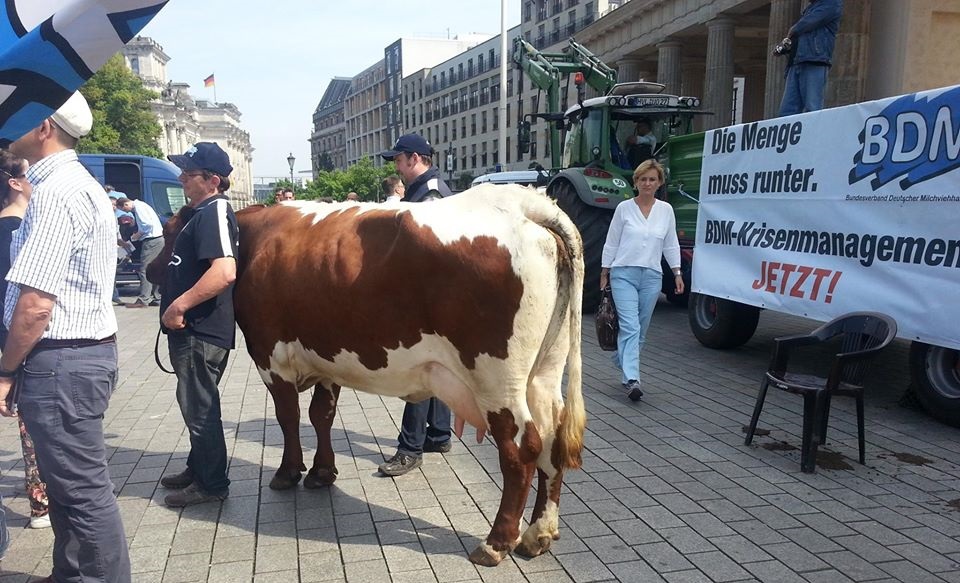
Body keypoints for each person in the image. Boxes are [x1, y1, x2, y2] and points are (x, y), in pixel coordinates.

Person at [0, 91, 131, 582]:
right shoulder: (74, 185)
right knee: (69, 488)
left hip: (61, 360)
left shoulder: (55, 193)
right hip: (75, 357)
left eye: (20, 114)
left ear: (45, 127)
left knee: (80, 492)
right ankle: (73, 574)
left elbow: (36, 304)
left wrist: (7, 369)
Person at [158, 142, 238, 508]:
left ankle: (211, 483)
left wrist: (179, 305)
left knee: (201, 407)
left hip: (200, 330)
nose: (182, 180)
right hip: (194, 330)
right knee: (194, 402)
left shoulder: (214, 212)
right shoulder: (201, 212)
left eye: (189, 175)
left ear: (212, 180)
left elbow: (224, 271)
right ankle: (198, 466)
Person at [377, 134, 453, 476]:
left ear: (415, 158)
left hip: (429, 294)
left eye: (398, 159)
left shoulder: (432, 191)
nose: (396, 165)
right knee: (437, 365)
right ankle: (437, 434)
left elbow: (429, 249)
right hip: (434, 292)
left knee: (421, 371)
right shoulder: (425, 187)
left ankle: (409, 448)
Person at [600, 159, 683, 402]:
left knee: (641, 330)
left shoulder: (666, 211)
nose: (647, 183)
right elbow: (612, 241)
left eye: (652, 179)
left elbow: (670, 244)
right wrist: (605, 271)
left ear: (659, 183)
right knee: (631, 326)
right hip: (623, 273)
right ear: (635, 182)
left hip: (652, 276)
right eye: (643, 179)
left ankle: (620, 360)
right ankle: (632, 380)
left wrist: (677, 273)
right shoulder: (624, 208)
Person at [0, 151, 51, 531]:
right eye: (30, 173)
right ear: (14, 183)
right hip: (24, 340)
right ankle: (44, 502)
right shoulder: (19, 230)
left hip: (12, 337)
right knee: (37, 425)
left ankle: (41, 501)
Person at [777, 0, 843, 116]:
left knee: (812, 108)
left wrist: (792, 31)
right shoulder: (810, 8)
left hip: (815, 61)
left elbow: (808, 23)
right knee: (786, 112)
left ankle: (813, 134)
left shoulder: (832, 3)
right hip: (797, 61)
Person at [116, 197, 163, 307]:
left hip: (152, 240)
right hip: (158, 239)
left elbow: (147, 225)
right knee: (155, 268)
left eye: (124, 209)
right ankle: (157, 297)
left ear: (126, 204)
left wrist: (136, 236)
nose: (126, 212)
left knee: (145, 269)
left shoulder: (139, 208)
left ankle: (144, 299)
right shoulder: (142, 205)